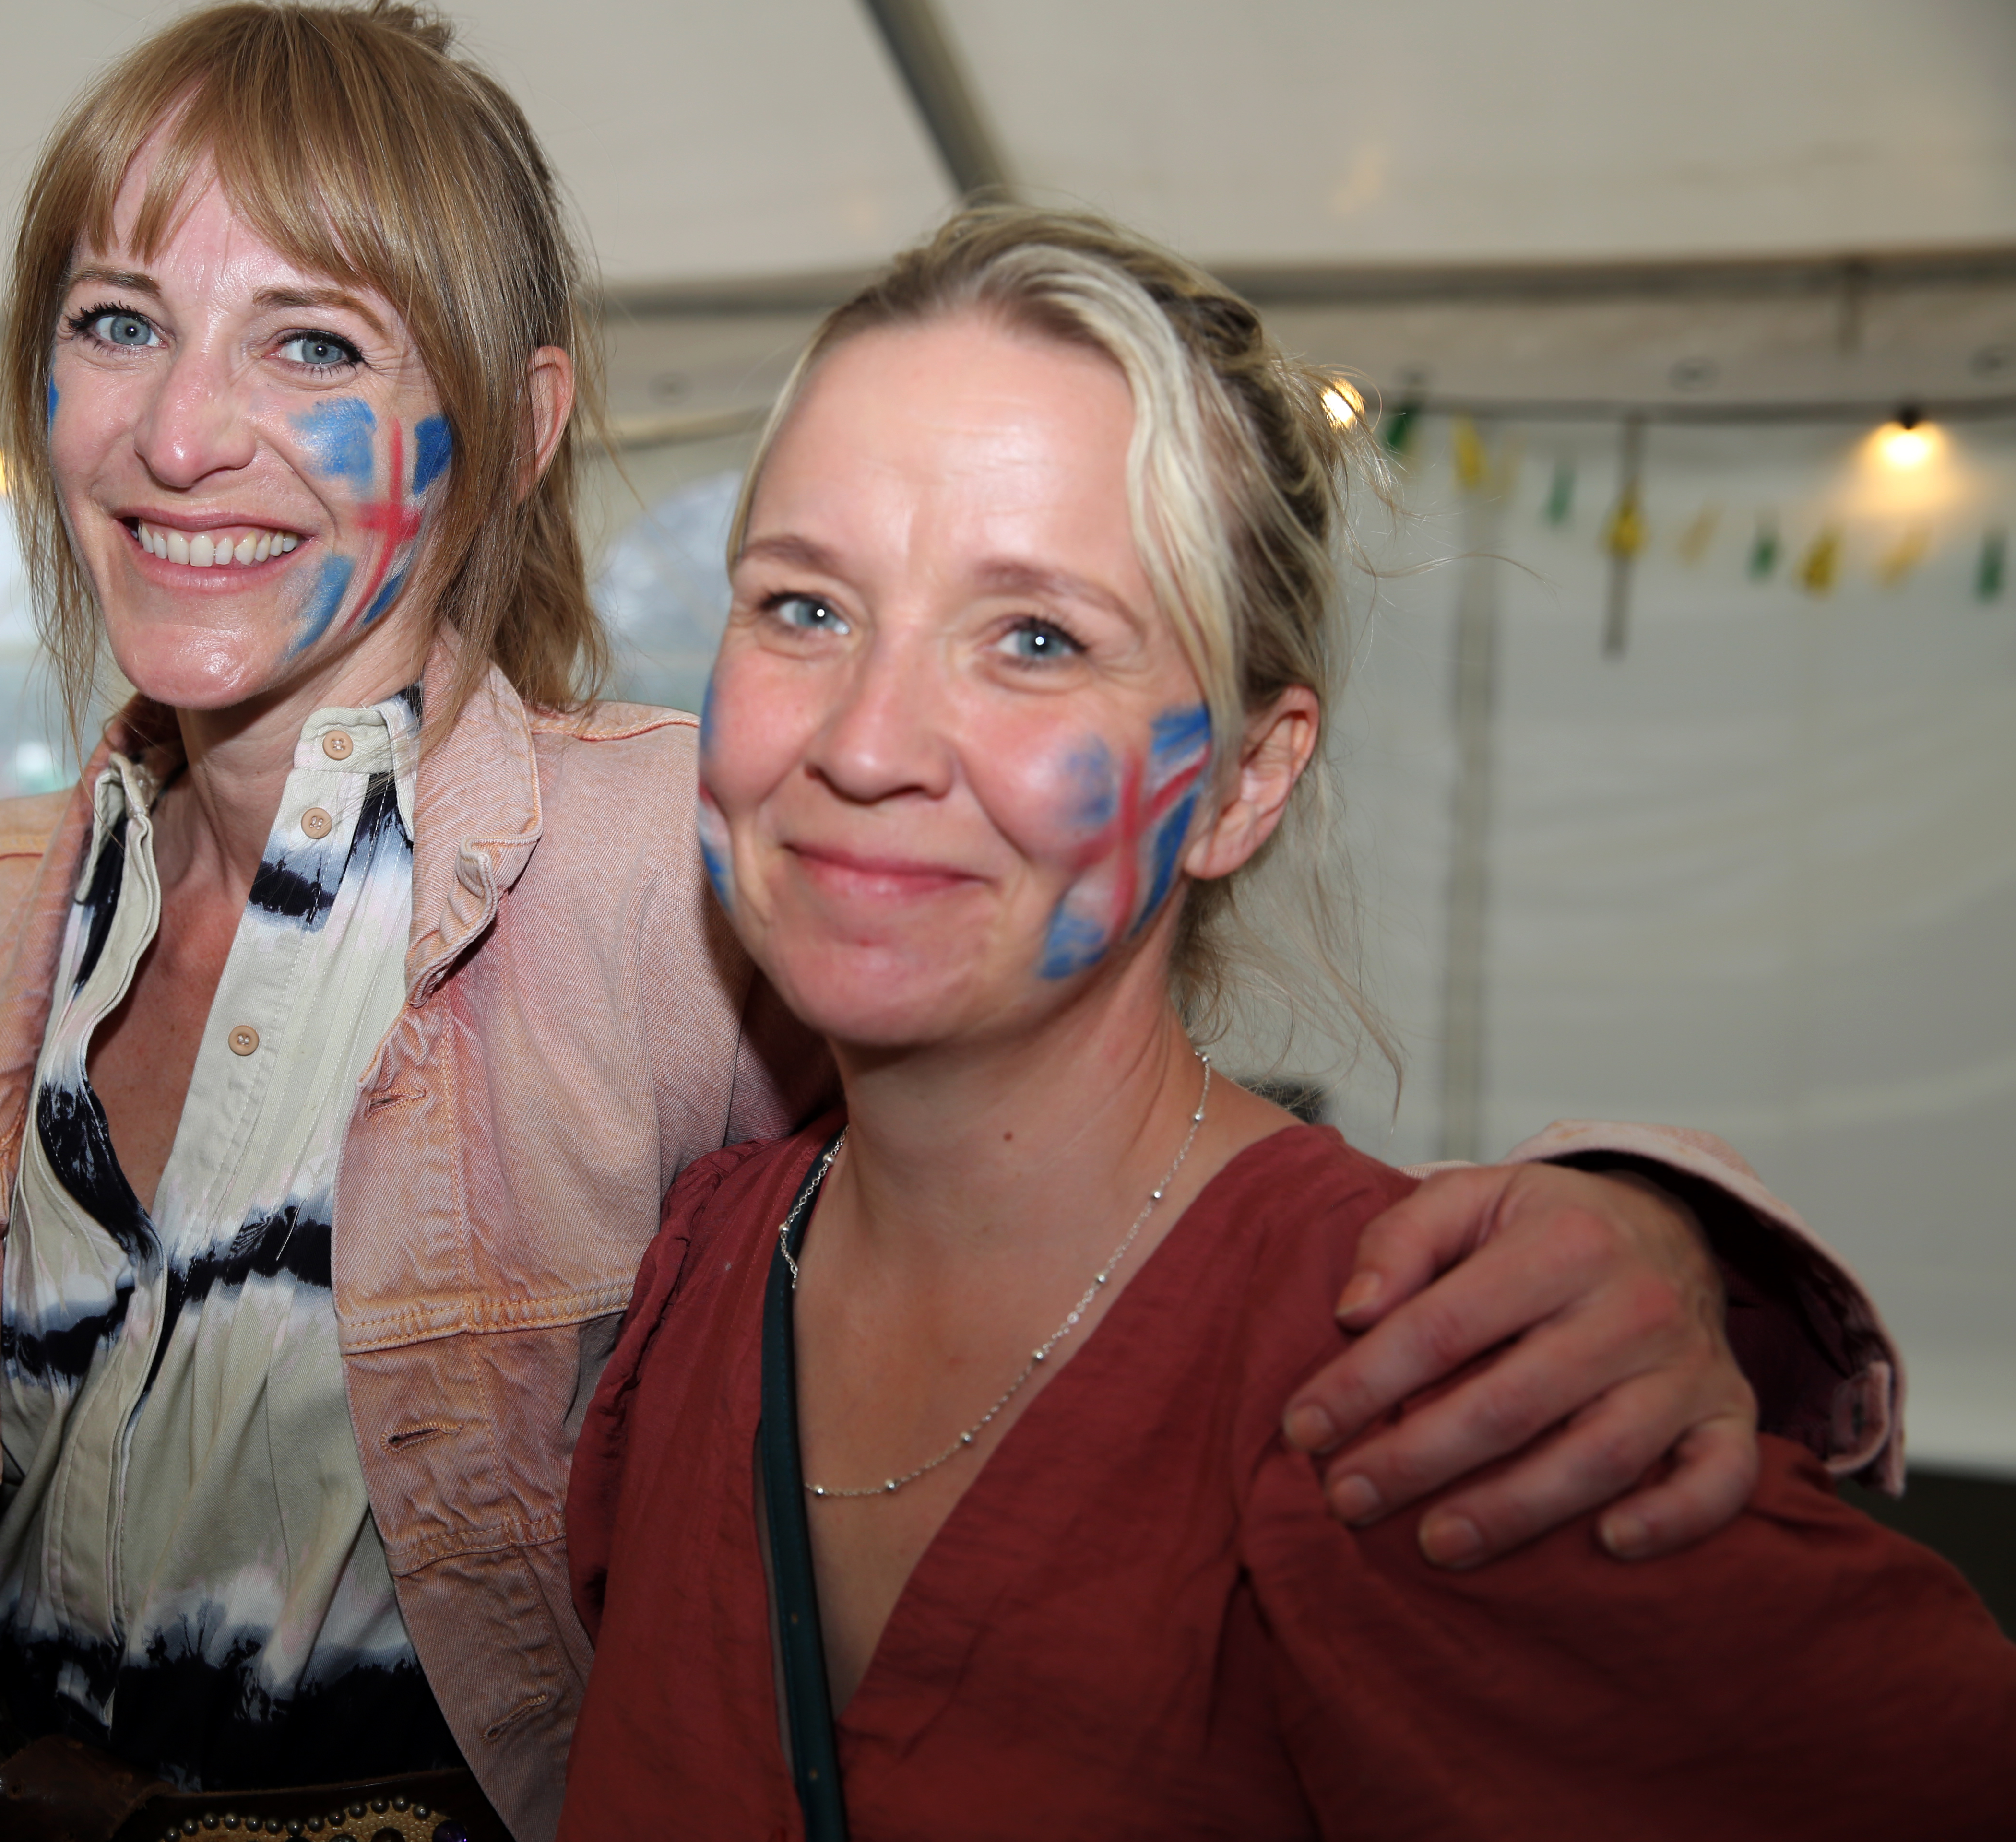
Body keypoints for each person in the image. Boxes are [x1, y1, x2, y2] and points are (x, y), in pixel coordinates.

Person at [0, 9, 1903, 1841]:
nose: (190, 431)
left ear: (505, 420)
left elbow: (1113, 1184)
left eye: (313, 344)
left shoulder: (672, 881)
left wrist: (1653, 1234)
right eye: (117, 320)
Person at [559, 203, 2016, 1839]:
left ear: (1246, 784)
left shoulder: (1418, 1387)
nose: (870, 742)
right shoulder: (705, 1265)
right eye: (805, 608)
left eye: (1036, 639)